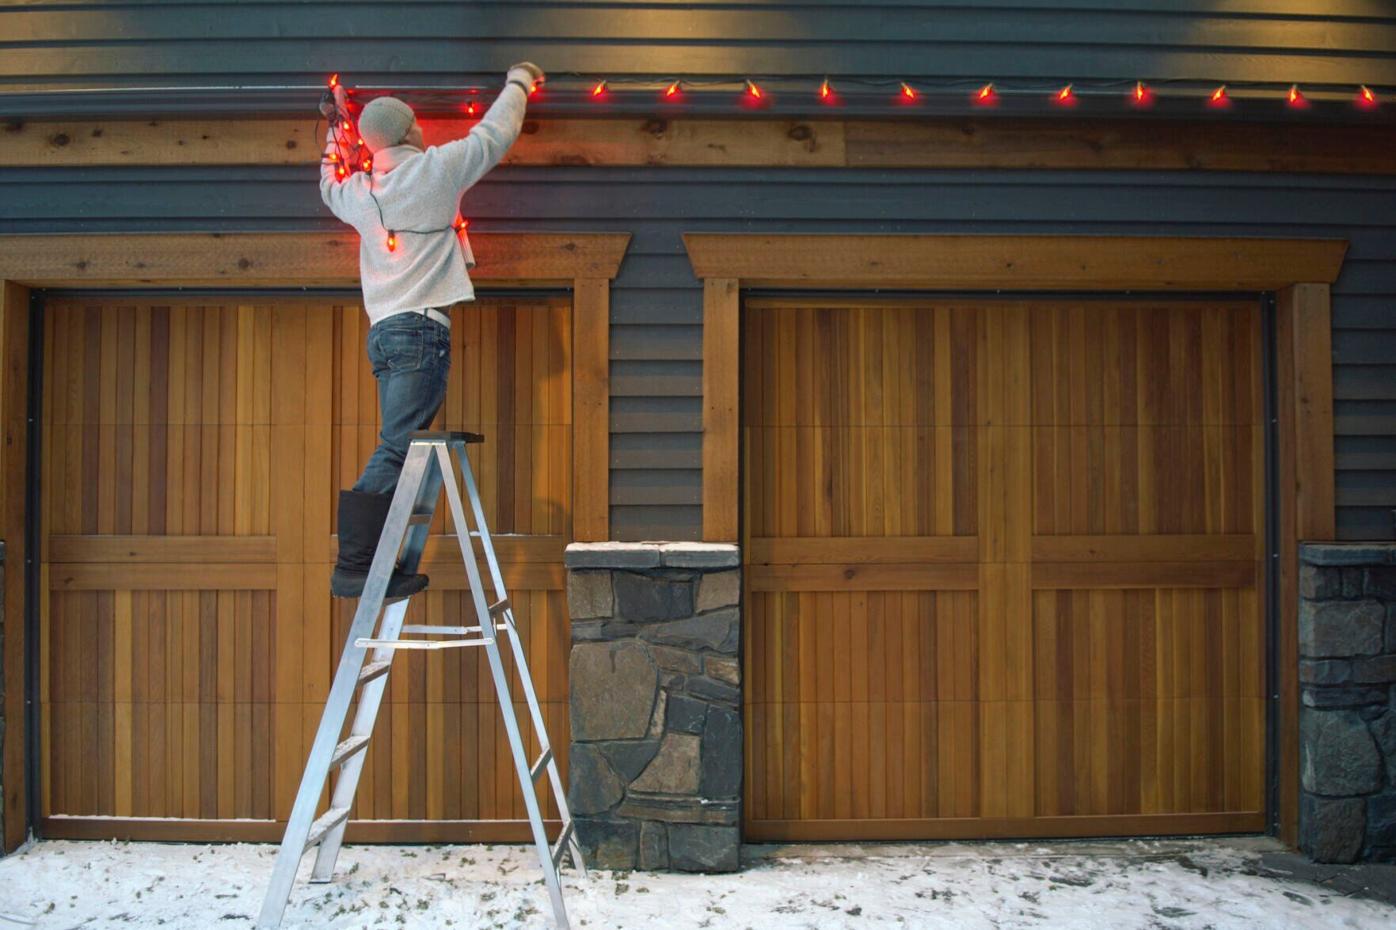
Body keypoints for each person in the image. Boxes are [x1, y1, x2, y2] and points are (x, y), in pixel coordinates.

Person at [318, 61, 545, 599]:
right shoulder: (437, 171)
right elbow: (494, 135)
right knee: (398, 448)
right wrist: (519, 82)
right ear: (410, 130)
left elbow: (327, 180)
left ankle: (369, 564)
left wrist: (333, 130)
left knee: (398, 445)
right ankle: (355, 565)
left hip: (386, 331)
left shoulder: (358, 192)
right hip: (420, 330)